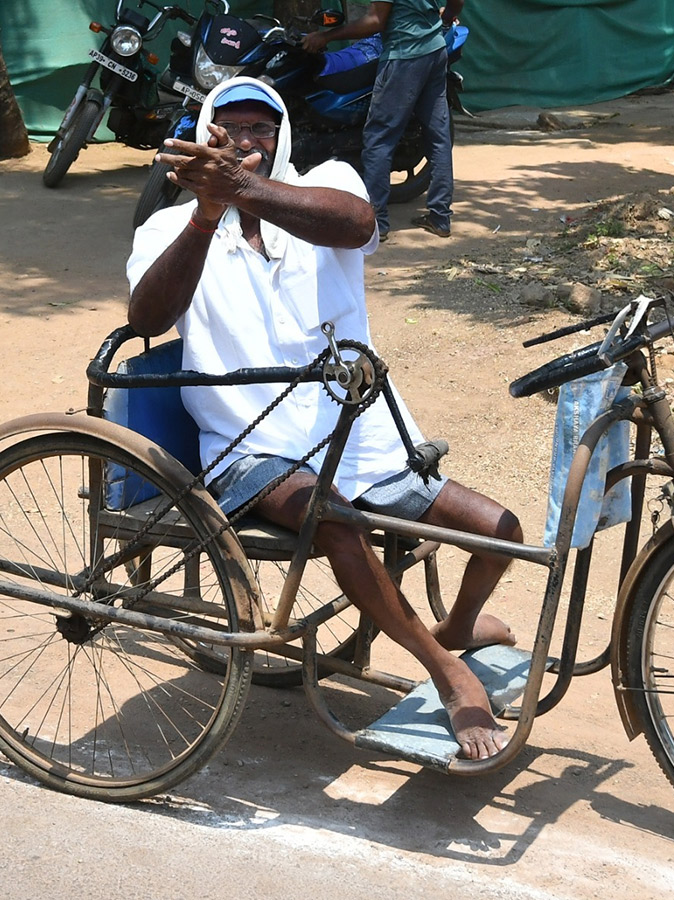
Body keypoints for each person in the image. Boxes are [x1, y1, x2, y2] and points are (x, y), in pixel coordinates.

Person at [127, 77, 520, 760]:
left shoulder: (324, 184)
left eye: (262, 128)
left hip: (356, 434)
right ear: (205, 131)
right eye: (231, 127)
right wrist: (205, 213)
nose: (248, 141)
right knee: (332, 521)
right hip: (246, 447)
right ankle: (447, 673)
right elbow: (147, 318)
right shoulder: (167, 225)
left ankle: (456, 626)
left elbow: (358, 224)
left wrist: (245, 191)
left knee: (501, 533)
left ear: (280, 135)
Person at [301, 0, 461, 240]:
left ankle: (377, 223)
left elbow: (375, 21)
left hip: (404, 56)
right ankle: (440, 218)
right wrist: (446, 18)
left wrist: (326, 37)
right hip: (435, 51)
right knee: (438, 137)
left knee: (379, 138)